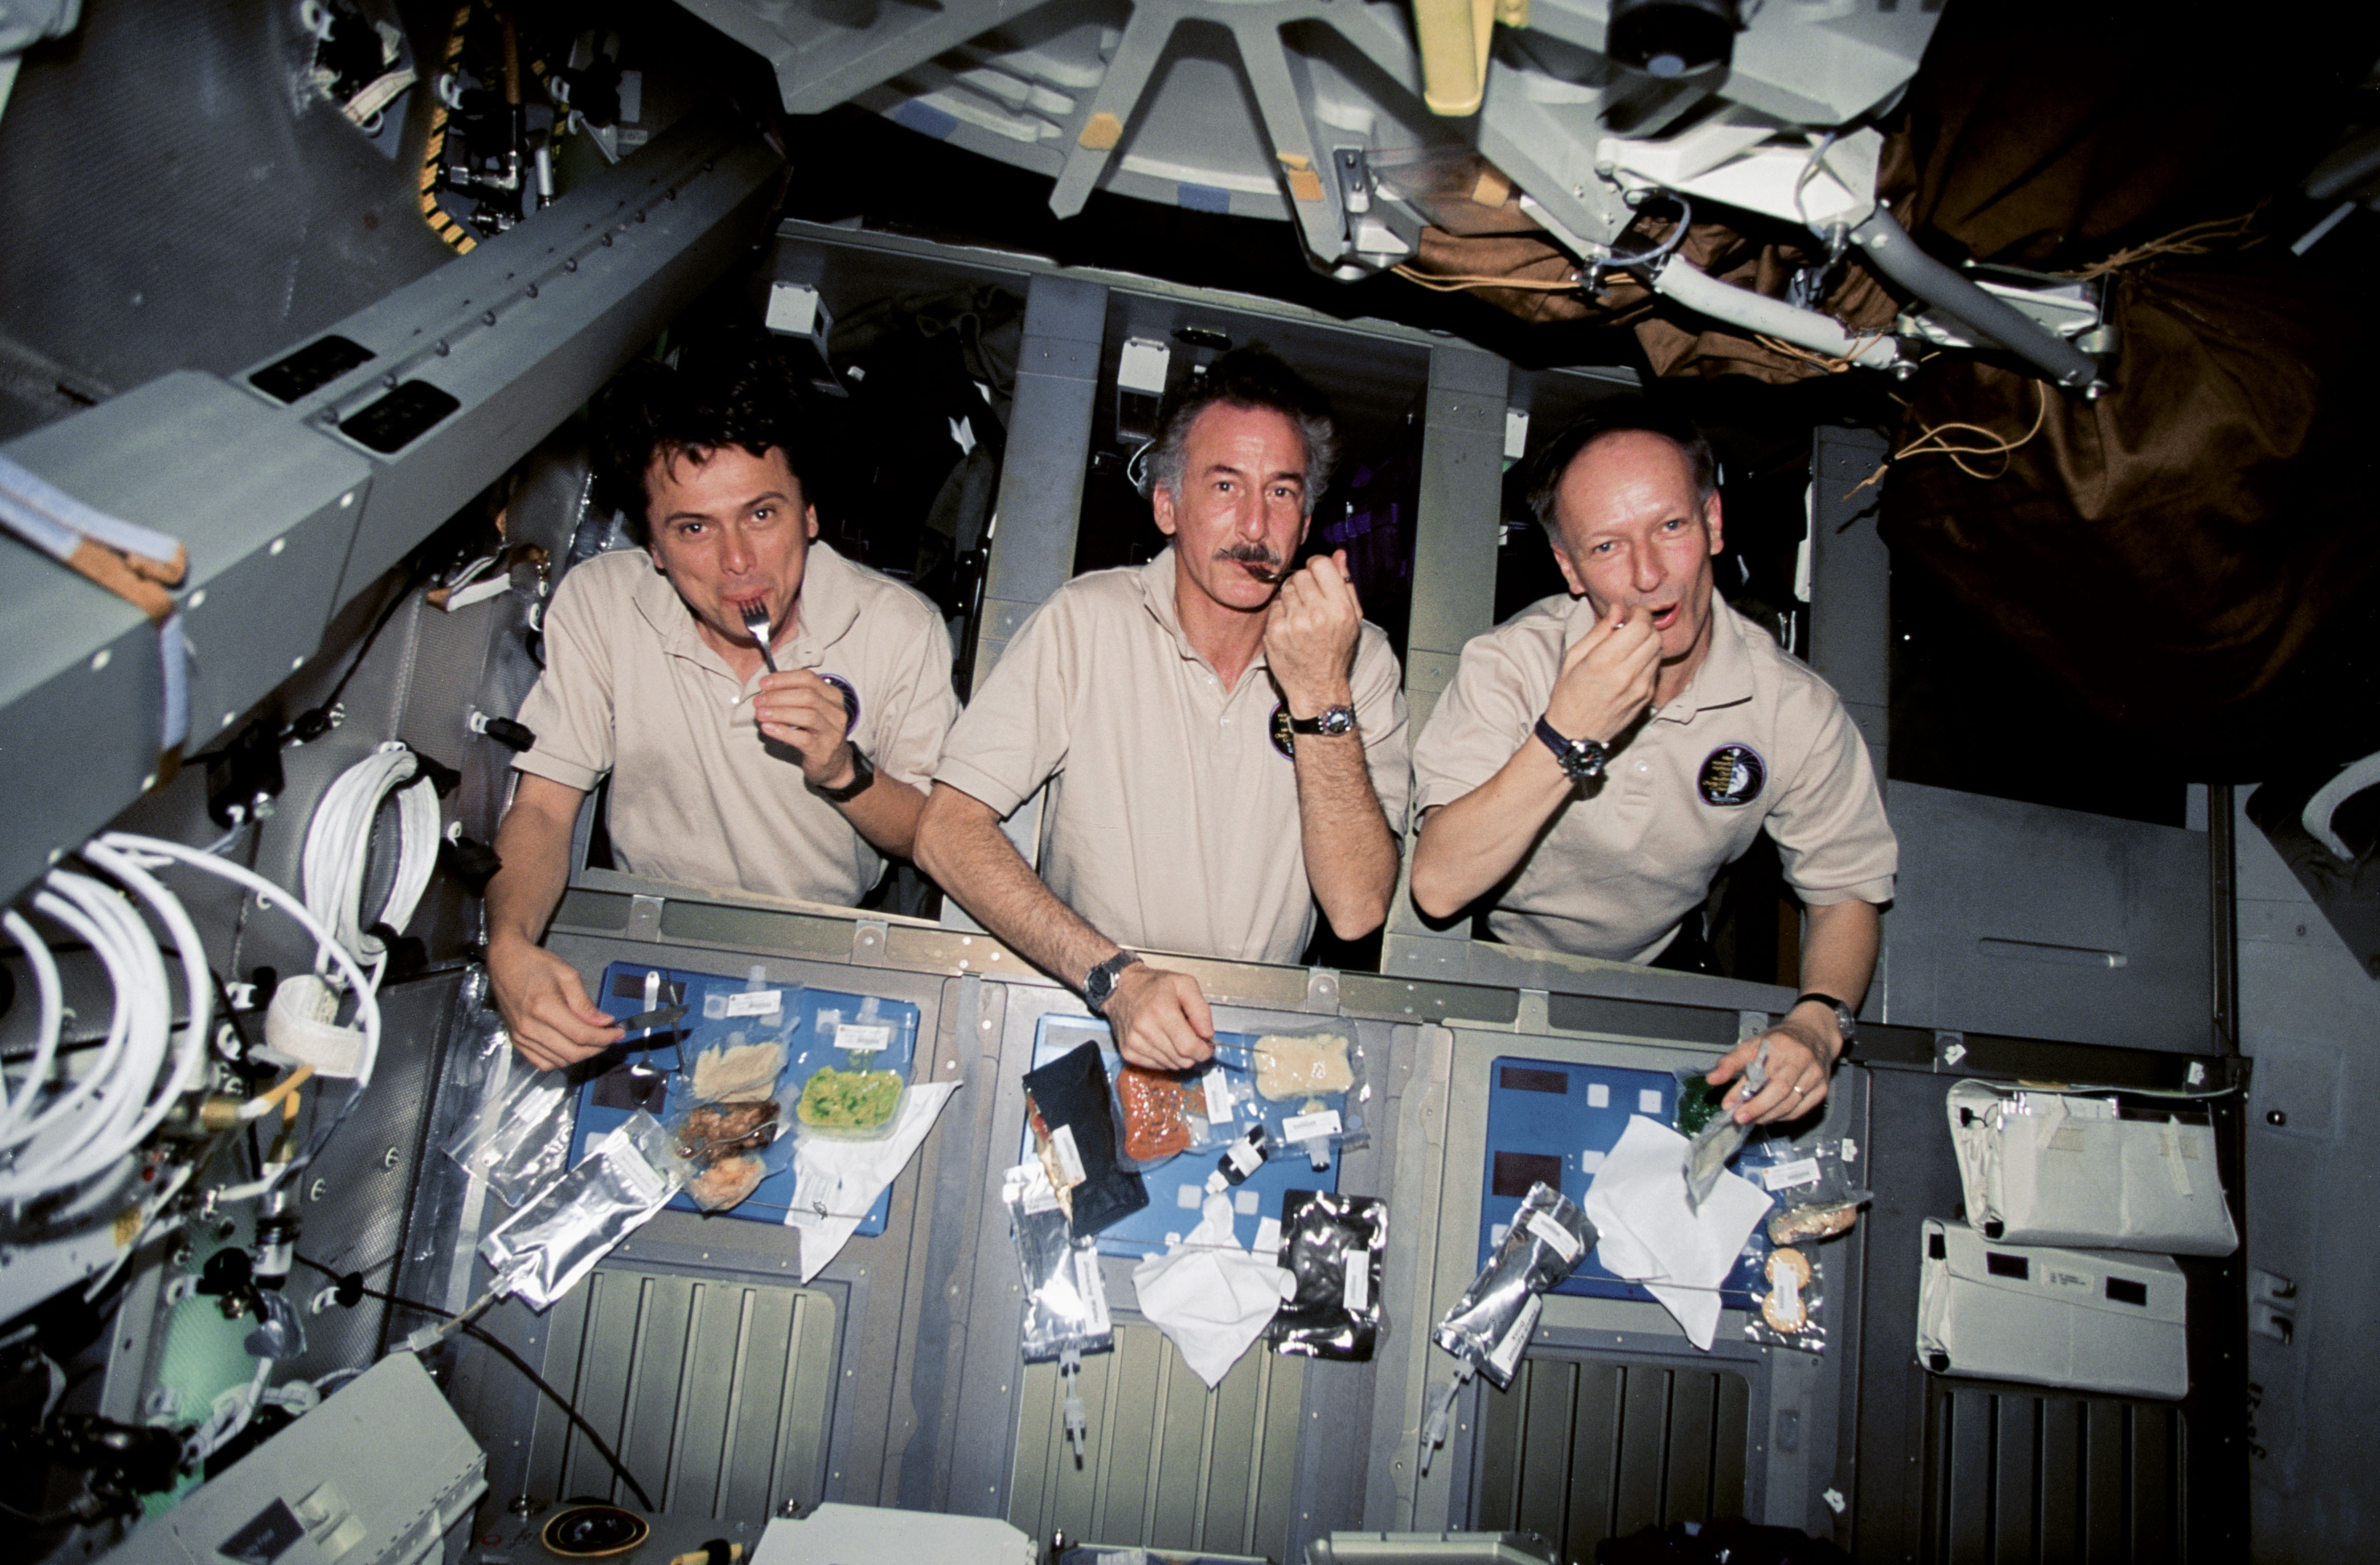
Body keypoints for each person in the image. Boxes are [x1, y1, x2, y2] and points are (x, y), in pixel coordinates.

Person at [913, 349, 1409, 1071]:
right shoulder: (1088, 620)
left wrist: (1320, 695)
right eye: (1225, 486)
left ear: (1306, 524)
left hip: (1255, 1037)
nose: (1254, 524)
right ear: (1168, 505)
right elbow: (945, 832)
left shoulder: (1360, 657)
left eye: (1281, 493)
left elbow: (1359, 909)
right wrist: (1114, 979)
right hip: (1084, 1004)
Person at [1408, 403, 1895, 1125]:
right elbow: (1441, 887)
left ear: (1714, 524)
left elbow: (1847, 887)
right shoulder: (1513, 665)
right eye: (1607, 547)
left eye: (1671, 527)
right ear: (1569, 568)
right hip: (1491, 950)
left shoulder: (1794, 708)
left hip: (1663, 963)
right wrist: (1569, 731)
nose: (1647, 573)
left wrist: (1819, 1019)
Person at [487, 350, 958, 1069]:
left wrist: (842, 771)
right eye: (694, 529)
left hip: (823, 945)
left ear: (808, 514)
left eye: (761, 514)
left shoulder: (901, 627)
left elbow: (931, 835)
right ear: (653, 546)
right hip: (644, 933)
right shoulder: (601, 603)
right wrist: (511, 946)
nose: (738, 561)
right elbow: (545, 807)